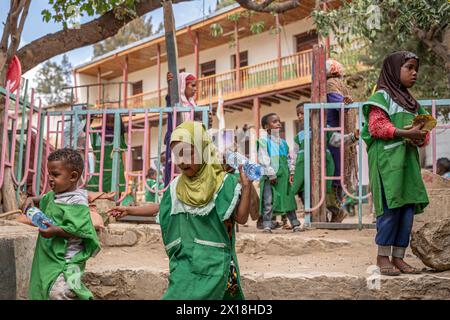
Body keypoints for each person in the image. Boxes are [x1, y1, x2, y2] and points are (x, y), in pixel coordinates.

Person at [157, 121, 251, 300]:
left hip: (216, 264)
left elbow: (241, 217)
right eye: (177, 155)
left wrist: (246, 187)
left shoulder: (224, 182)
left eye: (187, 153)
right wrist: (129, 210)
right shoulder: (176, 186)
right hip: (185, 262)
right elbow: (164, 208)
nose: (182, 161)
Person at [361, 51, 430, 276]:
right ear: (393, 69)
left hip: (407, 164)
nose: (414, 73)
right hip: (387, 163)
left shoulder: (412, 102)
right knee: (390, 210)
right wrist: (406, 133)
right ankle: (382, 257)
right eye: (409, 67)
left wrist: (421, 135)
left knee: (407, 210)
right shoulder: (381, 97)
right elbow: (377, 127)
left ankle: (399, 258)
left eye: (415, 68)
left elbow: (425, 129)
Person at [24, 148, 100, 300]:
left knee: (60, 292)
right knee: (46, 286)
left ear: (73, 176)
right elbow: (43, 198)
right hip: (51, 255)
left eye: (56, 175)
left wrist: (56, 230)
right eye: (49, 174)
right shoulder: (56, 194)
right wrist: (31, 200)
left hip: (67, 259)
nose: (50, 179)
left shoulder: (77, 201)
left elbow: (81, 230)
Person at [292, 102, 359, 222]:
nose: (300, 116)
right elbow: (295, 154)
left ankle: (336, 213)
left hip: (323, 166)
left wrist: (352, 137)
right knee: (304, 193)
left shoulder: (325, 128)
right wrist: (292, 170)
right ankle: (311, 220)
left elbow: (337, 140)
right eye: (298, 114)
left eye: (303, 113)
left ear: (313, 113)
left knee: (325, 193)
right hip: (303, 169)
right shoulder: (299, 135)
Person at [257, 113, 302, 233]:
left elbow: (288, 158)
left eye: (279, 121)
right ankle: (267, 224)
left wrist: (291, 172)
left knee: (288, 199)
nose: (278, 123)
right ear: (267, 126)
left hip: (284, 177)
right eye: (274, 121)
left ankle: (295, 223)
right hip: (270, 177)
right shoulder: (263, 141)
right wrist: (271, 173)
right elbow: (263, 158)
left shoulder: (283, 143)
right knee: (269, 200)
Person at [86, 114, 133, 205]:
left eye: (111, 122)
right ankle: (113, 210)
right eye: (109, 122)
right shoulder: (119, 134)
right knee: (113, 193)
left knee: (102, 192)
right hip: (110, 169)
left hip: (104, 169)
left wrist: (91, 118)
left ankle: (110, 210)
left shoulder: (97, 133)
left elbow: (86, 129)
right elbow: (123, 153)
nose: (110, 124)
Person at [325, 59, 354, 200]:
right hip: (334, 132)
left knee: (334, 170)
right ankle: (336, 203)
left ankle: (336, 205)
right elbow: (340, 105)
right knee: (335, 168)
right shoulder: (333, 84)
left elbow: (340, 105)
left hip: (334, 132)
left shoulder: (331, 84)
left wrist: (344, 103)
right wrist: (344, 103)